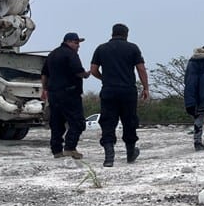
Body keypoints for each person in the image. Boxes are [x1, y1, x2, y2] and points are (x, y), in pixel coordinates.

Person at [90, 23, 149, 167]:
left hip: (109, 90)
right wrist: (146, 87)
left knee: (108, 122)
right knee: (130, 121)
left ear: (112, 33)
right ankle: (130, 153)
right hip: (128, 90)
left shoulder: (101, 48)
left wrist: (104, 78)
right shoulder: (133, 48)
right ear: (126, 34)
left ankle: (109, 157)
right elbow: (141, 69)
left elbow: (93, 70)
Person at [41, 32, 90, 159]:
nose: (78, 46)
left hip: (53, 94)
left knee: (56, 122)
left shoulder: (52, 54)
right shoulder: (71, 54)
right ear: (69, 42)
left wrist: (44, 89)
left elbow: (44, 74)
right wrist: (86, 74)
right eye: (77, 43)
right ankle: (70, 147)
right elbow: (78, 72)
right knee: (78, 122)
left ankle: (56, 150)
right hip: (70, 93)